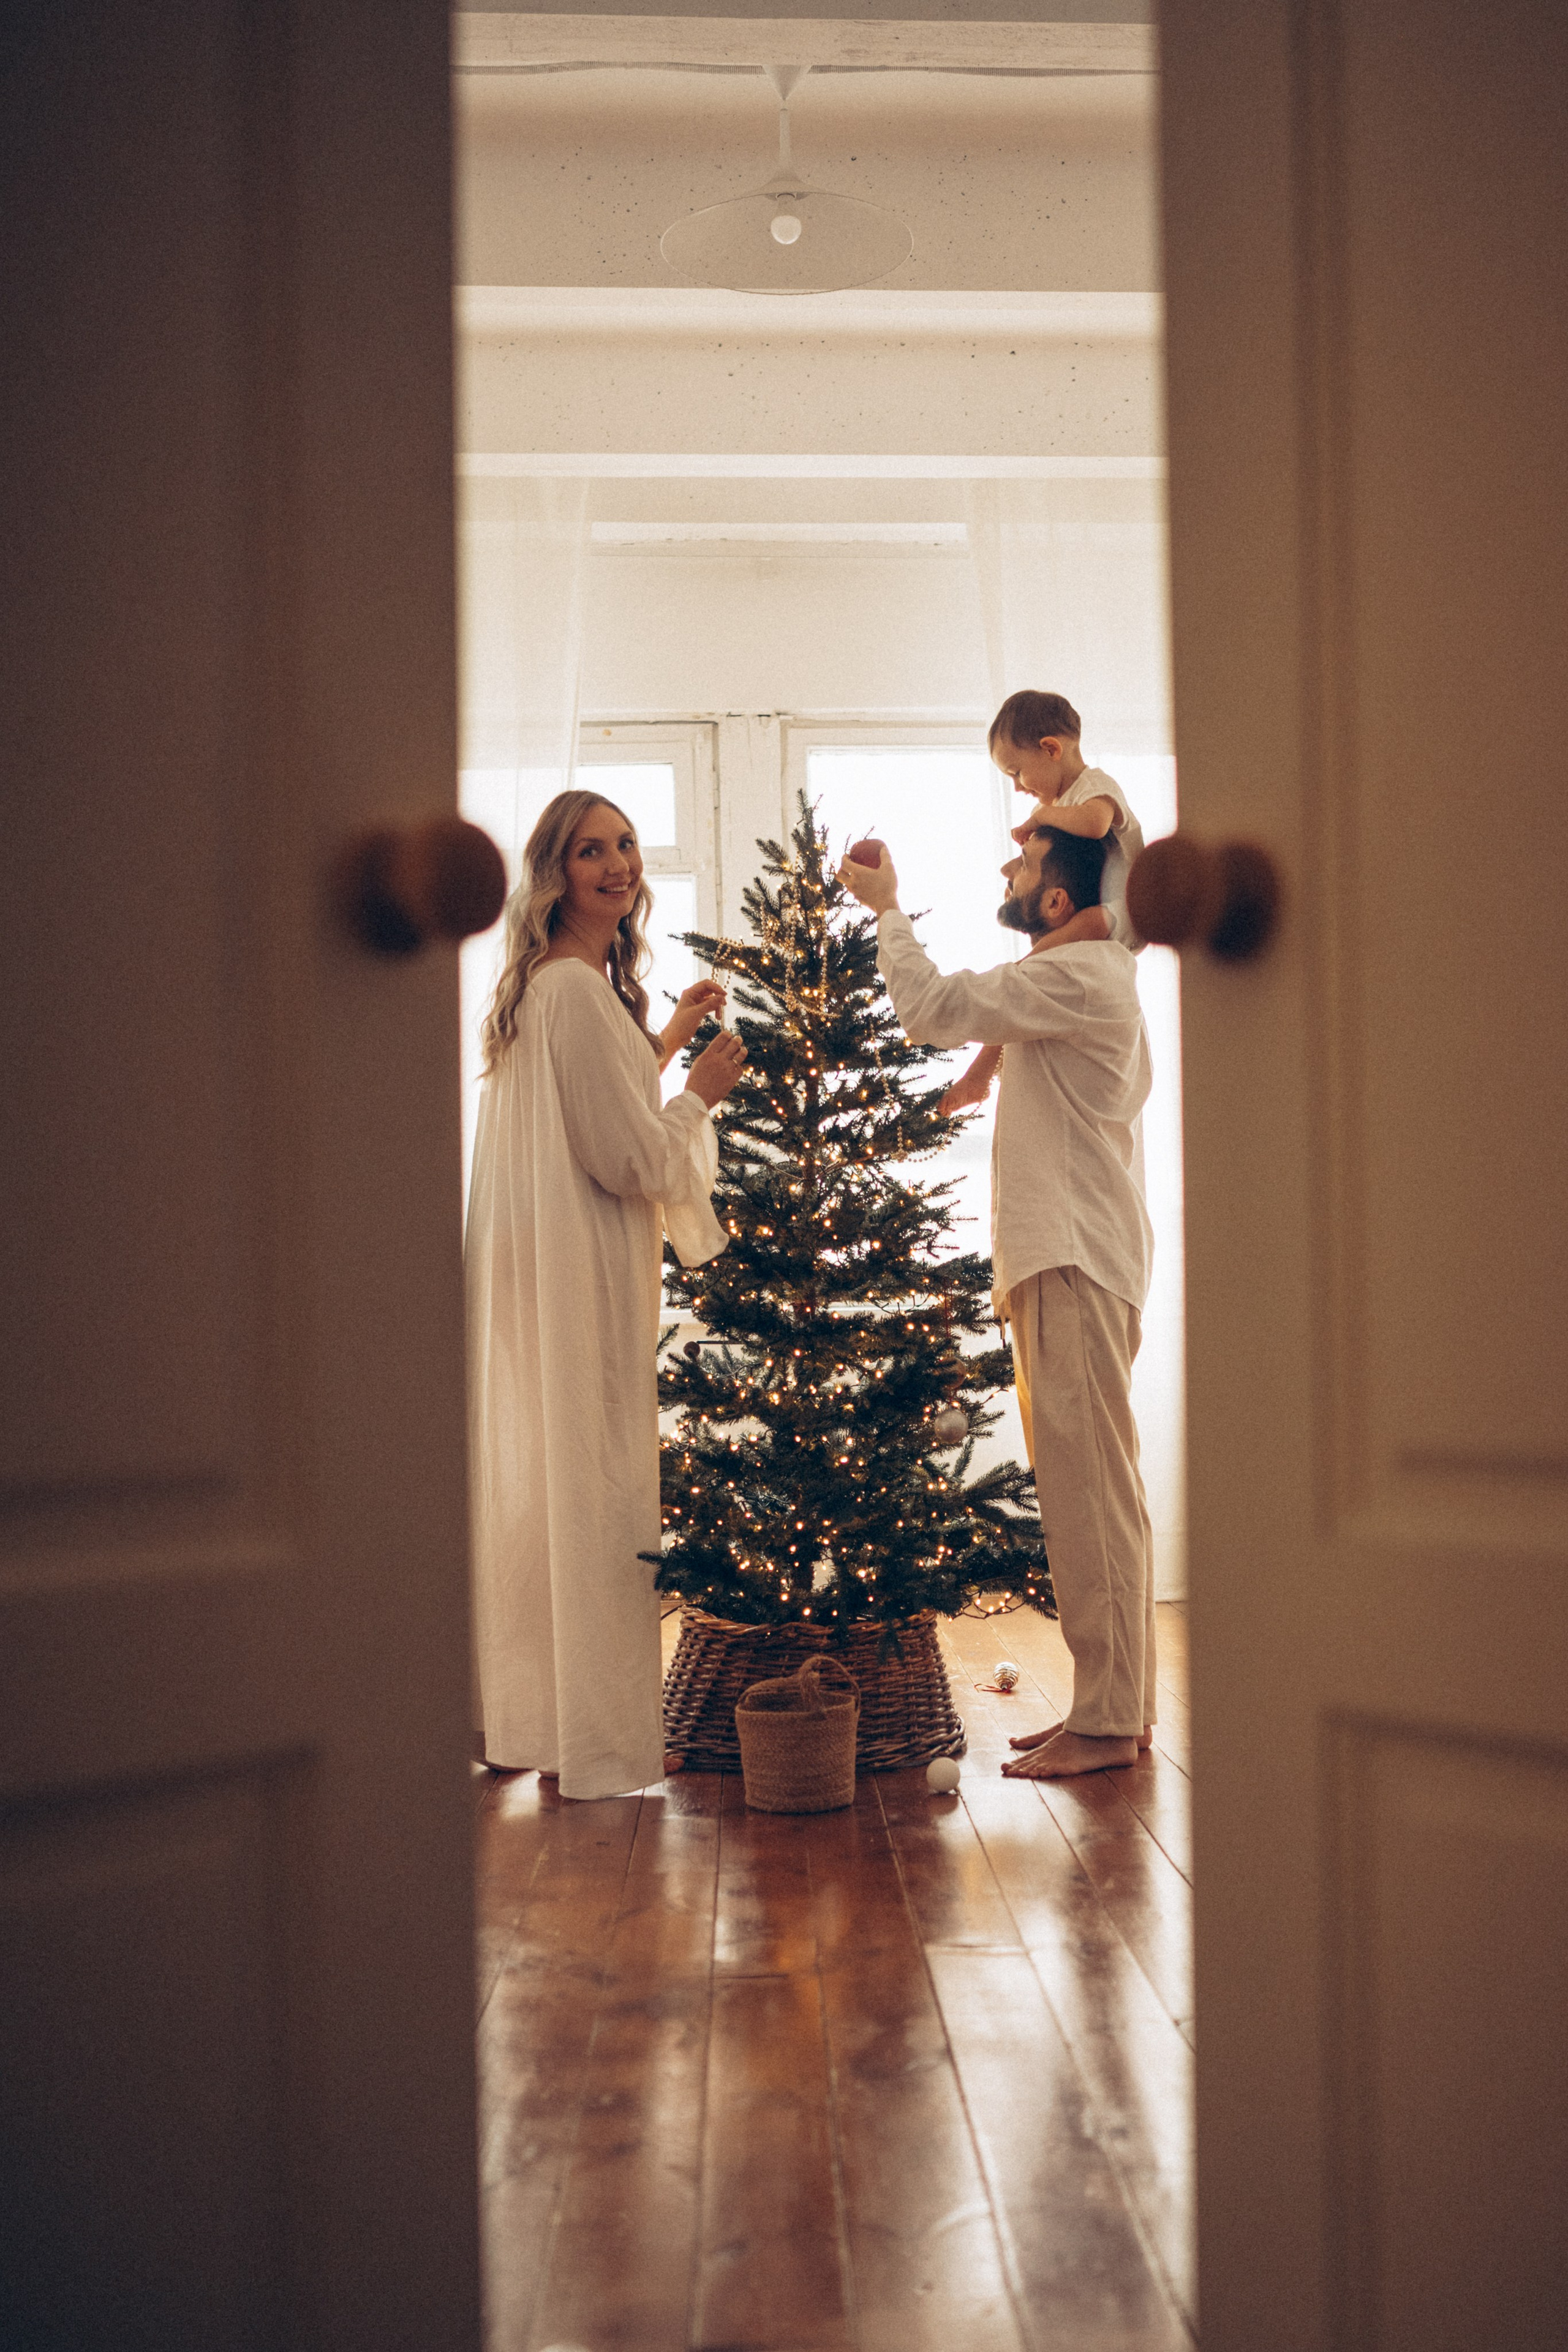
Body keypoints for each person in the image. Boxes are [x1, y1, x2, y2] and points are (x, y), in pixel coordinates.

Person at [839, 819, 1156, 1778]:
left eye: (1022, 865)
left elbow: (933, 1005)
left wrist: (887, 909)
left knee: (1091, 1497)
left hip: (1070, 1259)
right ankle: (1114, 1709)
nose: (1007, 871)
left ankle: (1108, 1723)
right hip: (1072, 1258)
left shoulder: (1077, 975)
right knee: (1099, 1492)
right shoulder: (1080, 984)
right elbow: (985, 1043)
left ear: (1058, 900)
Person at [466, 790, 747, 1798]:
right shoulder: (574, 990)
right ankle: (603, 1737)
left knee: (547, 1485)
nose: (619, 864)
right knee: (595, 1489)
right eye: (593, 851)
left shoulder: (563, 983)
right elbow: (627, 1151)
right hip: (580, 1267)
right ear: (557, 873)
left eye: (626, 845)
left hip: (543, 1262)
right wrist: (700, 1098)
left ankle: (532, 1722)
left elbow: (602, 1094)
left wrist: (668, 1033)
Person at [941, 688, 1147, 1117]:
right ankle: (983, 1070)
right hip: (1100, 920)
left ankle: (981, 1070)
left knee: (1026, 974)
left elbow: (1095, 825)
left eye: (1017, 773)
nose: (1018, 788)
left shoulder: (1094, 787)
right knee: (1025, 984)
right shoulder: (1061, 804)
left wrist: (1042, 817)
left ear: (1051, 749)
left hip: (1124, 914)